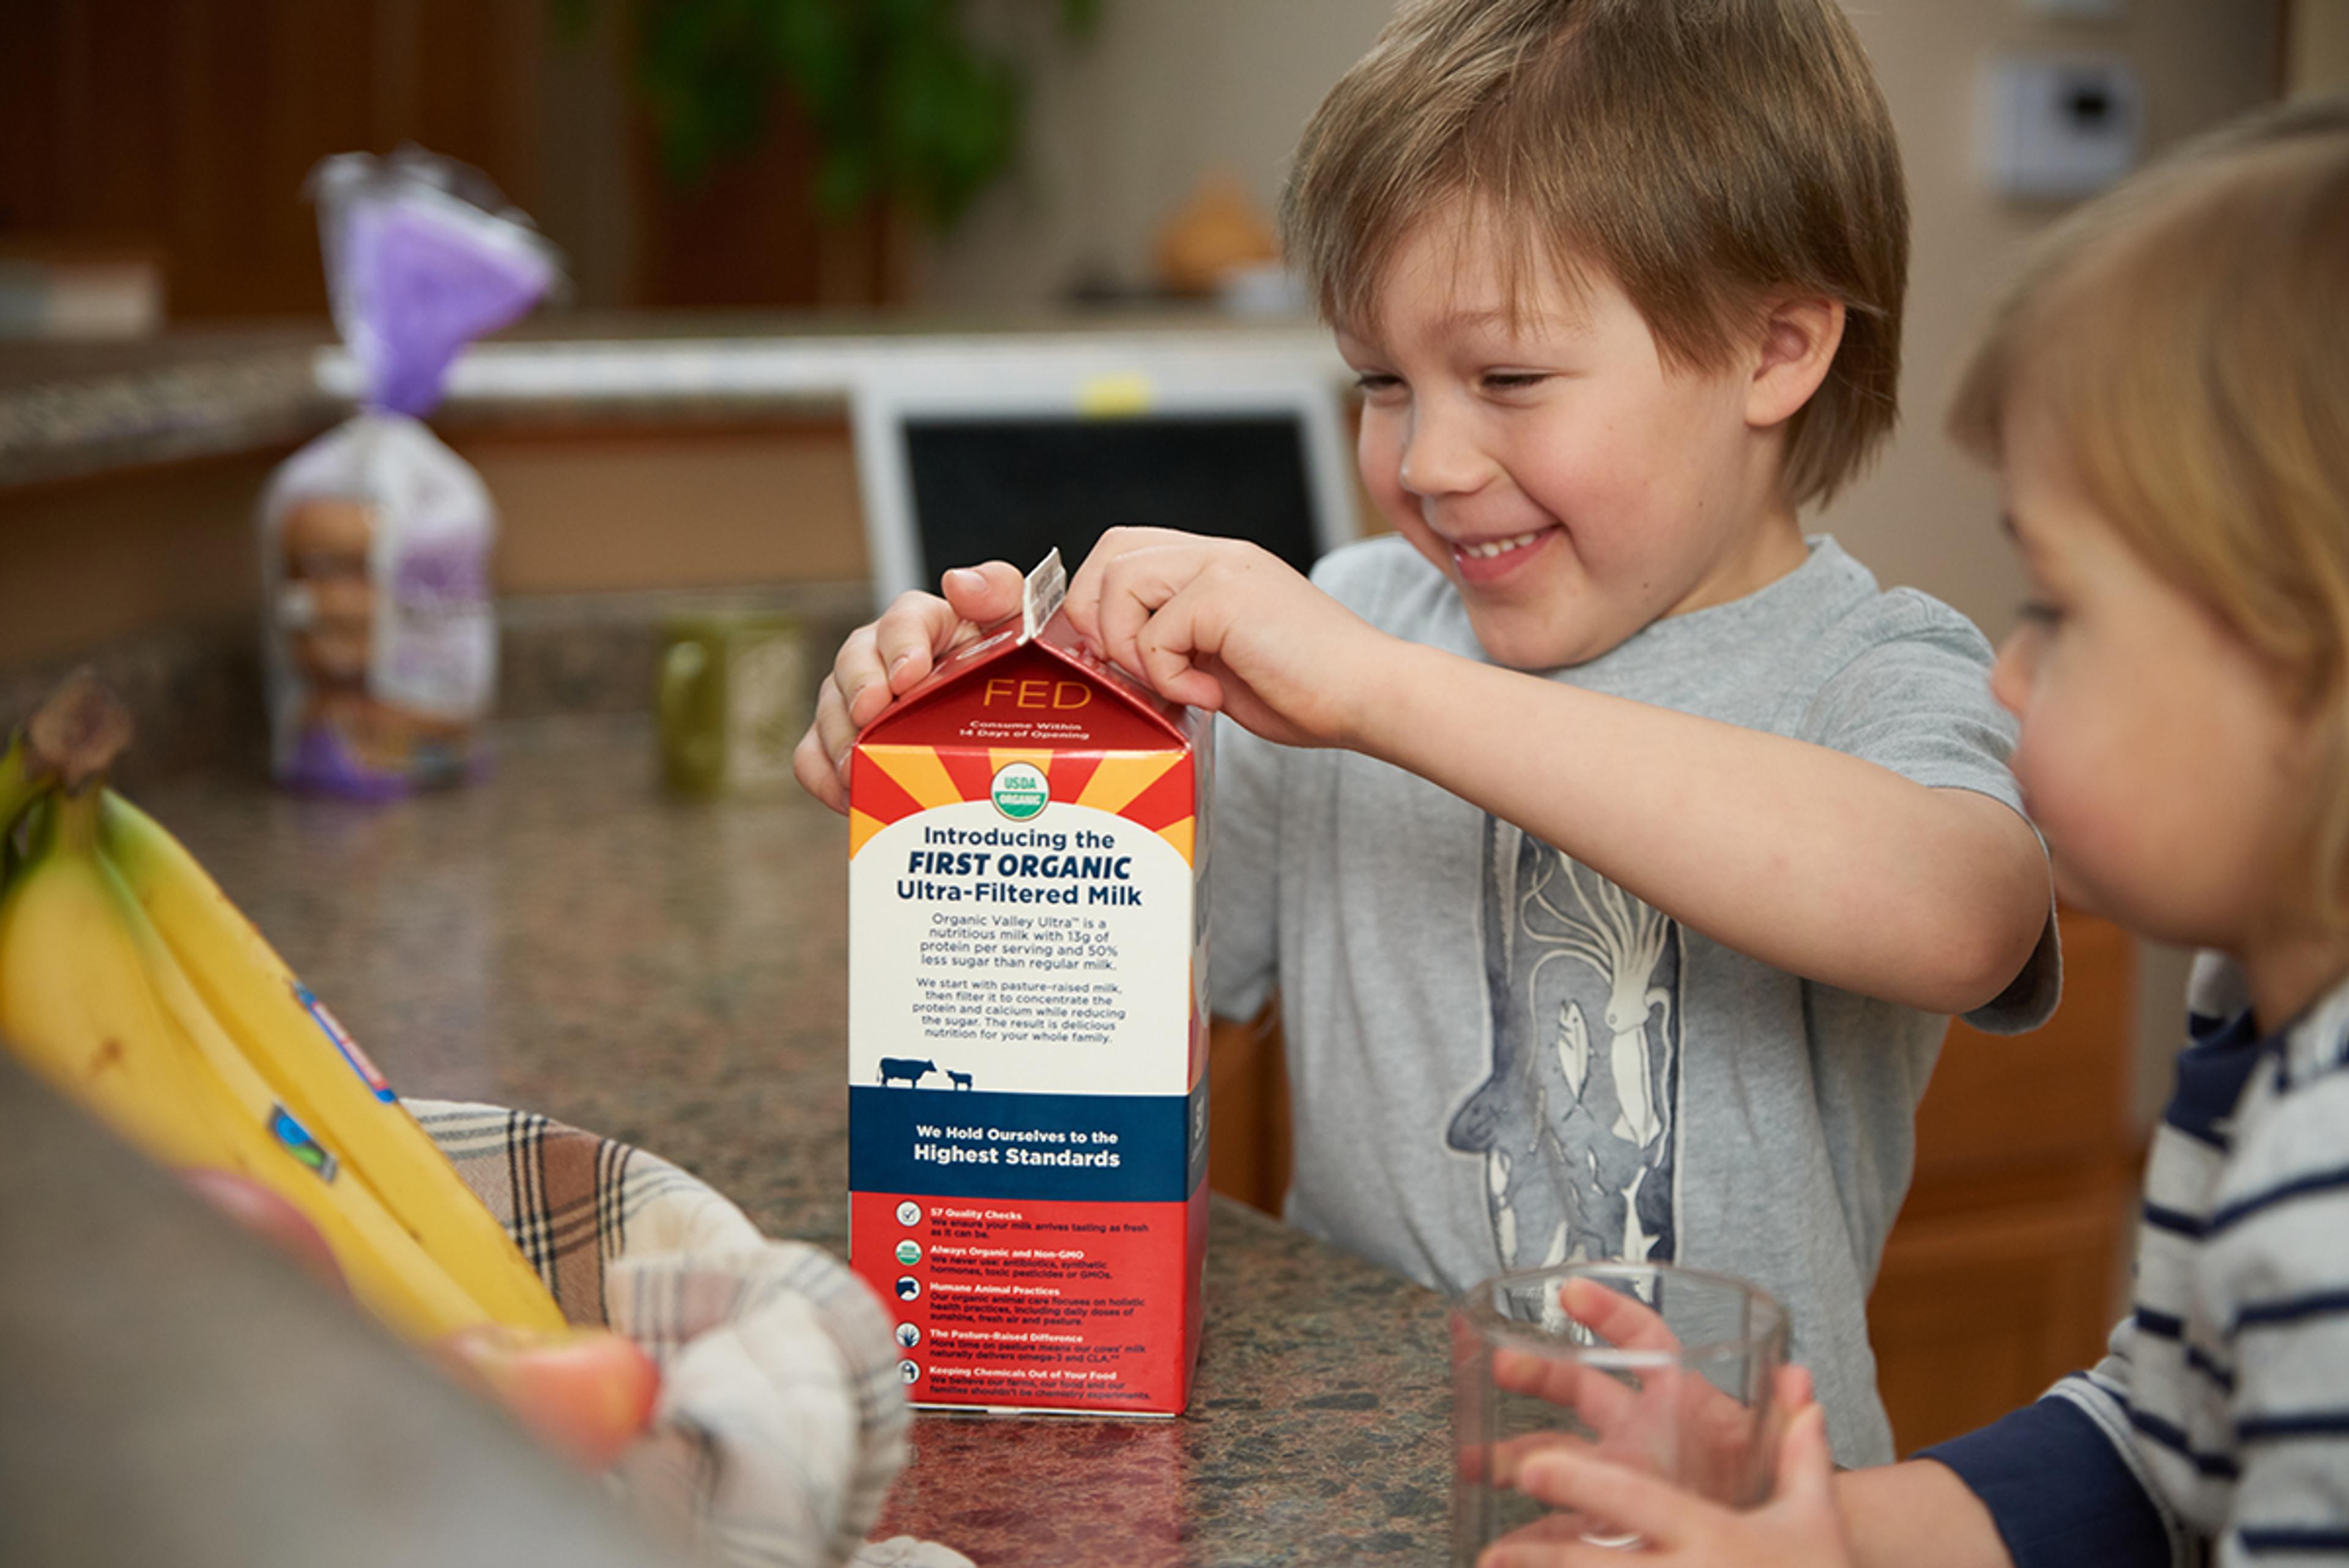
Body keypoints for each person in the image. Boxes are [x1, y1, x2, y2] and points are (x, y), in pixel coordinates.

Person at [795, 0, 2056, 1468]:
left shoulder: (1871, 667)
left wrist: (1385, 691)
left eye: (1508, 379)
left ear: (1777, 350)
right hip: (1357, 1487)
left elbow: (1962, 911)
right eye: (1381, 384)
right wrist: (974, 776)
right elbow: (1099, 986)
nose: (1429, 462)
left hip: (1735, 1529)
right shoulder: (1352, 628)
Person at [1472, 93, 2349, 1568]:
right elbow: (2167, 1446)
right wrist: (1824, 1534)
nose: (2010, 674)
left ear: (2308, 665)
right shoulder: (2257, 1009)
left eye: (2059, 611)